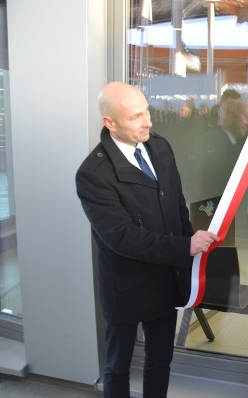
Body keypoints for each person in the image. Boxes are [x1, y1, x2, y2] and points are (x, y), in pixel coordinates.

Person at [75, 82, 219, 398]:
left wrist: (189, 247)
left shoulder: (160, 146)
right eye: (136, 117)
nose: (148, 122)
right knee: (117, 366)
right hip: (126, 285)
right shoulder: (93, 174)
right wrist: (185, 247)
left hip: (166, 276)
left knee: (160, 360)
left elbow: (176, 203)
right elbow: (122, 238)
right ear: (109, 123)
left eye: (147, 112)